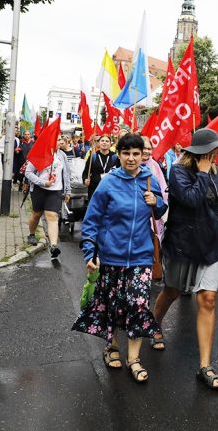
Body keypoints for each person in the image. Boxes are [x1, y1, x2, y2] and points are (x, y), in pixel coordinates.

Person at [72, 133, 167, 384]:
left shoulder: (149, 180)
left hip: (141, 256)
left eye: (136, 153)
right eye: (126, 153)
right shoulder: (109, 183)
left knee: (137, 304)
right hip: (111, 255)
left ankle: (134, 358)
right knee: (114, 305)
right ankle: (112, 346)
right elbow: (91, 220)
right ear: (120, 155)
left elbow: (160, 210)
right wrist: (90, 252)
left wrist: (155, 201)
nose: (132, 158)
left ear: (142, 155)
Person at [152, 129, 218, 389]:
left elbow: (216, 198)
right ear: (201, 151)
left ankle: (205, 366)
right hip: (183, 244)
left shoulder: (216, 170)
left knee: (207, 299)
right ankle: (154, 325)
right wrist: (202, 172)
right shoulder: (177, 171)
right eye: (214, 148)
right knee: (172, 291)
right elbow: (192, 200)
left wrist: (208, 172)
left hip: (210, 242)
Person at [24, 136, 71, 261]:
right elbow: (28, 172)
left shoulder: (62, 155)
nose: (60, 141)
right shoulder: (39, 154)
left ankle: (53, 245)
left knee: (52, 216)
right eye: (57, 139)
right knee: (37, 214)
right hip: (39, 189)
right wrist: (43, 182)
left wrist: (67, 191)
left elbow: (66, 173)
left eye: (61, 139)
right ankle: (32, 234)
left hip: (55, 191)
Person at [141, 136, 168, 240]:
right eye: (144, 148)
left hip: (153, 215)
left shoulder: (155, 166)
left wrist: (157, 201)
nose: (146, 151)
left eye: (149, 148)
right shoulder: (131, 165)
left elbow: (163, 190)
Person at [82, 134, 118, 200]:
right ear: (99, 143)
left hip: (110, 188)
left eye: (107, 141)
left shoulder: (115, 157)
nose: (104, 142)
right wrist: (85, 180)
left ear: (110, 144)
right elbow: (85, 173)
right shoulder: (93, 156)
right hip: (95, 188)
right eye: (102, 141)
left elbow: (119, 173)